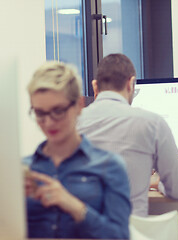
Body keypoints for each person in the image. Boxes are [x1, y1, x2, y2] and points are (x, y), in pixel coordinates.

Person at [77, 53, 178, 218]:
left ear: (95, 87)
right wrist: (158, 183)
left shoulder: (71, 125)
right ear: (131, 84)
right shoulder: (153, 123)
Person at [24, 61, 131, 239]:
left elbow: (119, 237)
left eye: (58, 111)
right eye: (40, 113)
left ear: (79, 106)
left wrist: (75, 207)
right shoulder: (24, 169)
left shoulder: (109, 166)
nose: (48, 122)